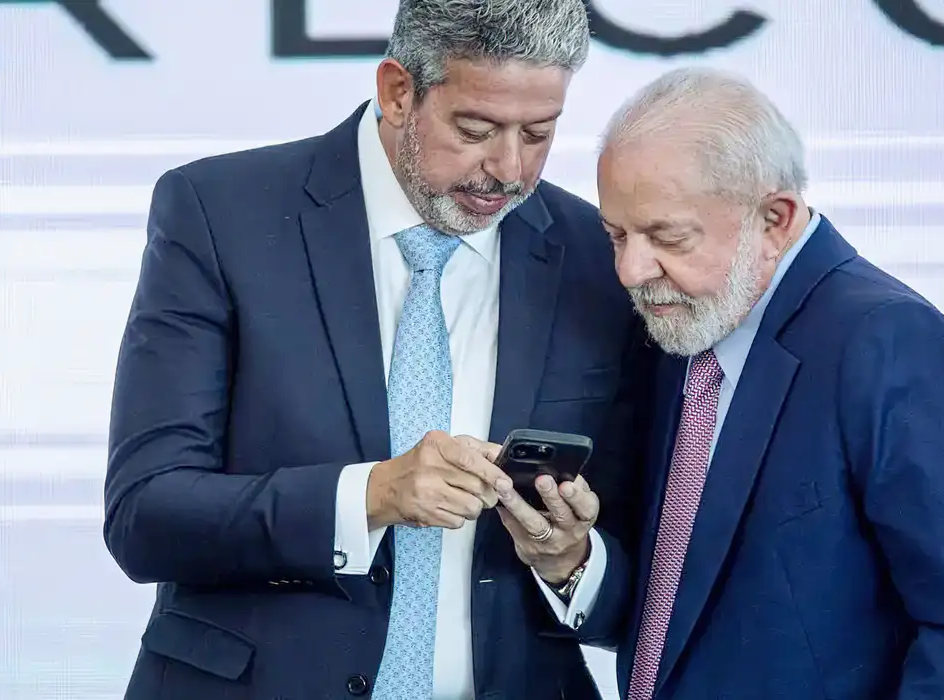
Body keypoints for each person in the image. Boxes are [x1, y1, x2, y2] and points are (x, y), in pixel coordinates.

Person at [102, 1, 651, 698]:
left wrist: (572, 560)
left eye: (539, 133)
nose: (510, 169)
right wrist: (370, 495)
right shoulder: (219, 214)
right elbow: (146, 514)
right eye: (476, 130)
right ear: (397, 92)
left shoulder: (600, 256)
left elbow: (648, 570)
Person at [575, 67, 944, 699]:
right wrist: (572, 560)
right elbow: (676, 609)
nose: (631, 270)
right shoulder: (687, 322)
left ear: (775, 219)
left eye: (668, 237)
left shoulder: (893, 343)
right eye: (616, 235)